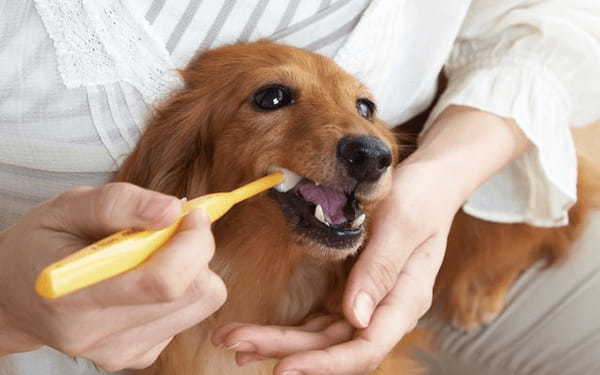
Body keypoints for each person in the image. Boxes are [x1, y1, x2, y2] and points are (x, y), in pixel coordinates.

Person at [1, 1, 599, 374]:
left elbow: (559, 18)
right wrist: (8, 310)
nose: (365, 140)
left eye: (364, 107)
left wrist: (445, 176)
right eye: (273, 98)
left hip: (451, 199)